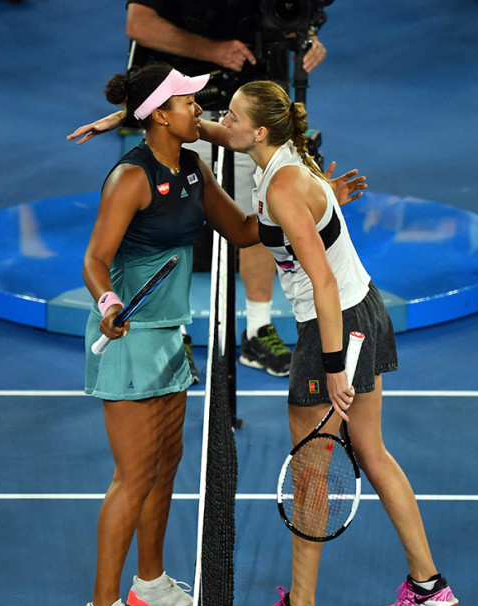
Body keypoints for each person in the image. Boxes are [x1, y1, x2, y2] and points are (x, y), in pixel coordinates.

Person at [72, 65, 365, 606]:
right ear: (160, 114)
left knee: (164, 467)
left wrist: (315, 203)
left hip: (170, 339)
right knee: (131, 477)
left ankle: (148, 585)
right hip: (128, 340)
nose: (199, 108)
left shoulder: (193, 167)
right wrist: (107, 303)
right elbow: (95, 259)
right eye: (187, 101)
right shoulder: (130, 178)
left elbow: (246, 229)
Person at [196, 80, 457, 606]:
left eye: (233, 117)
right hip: (364, 308)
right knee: (370, 451)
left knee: (311, 472)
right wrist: (174, 132)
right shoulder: (280, 163)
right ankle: (429, 583)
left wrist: (334, 367)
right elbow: (244, 213)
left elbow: (320, 283)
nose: (224, 121)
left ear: (259, 132)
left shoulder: (284, 186)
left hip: (334, 325)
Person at [123, 0, 330, 377]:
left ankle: (257, 329)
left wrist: (305, 37)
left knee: (262, 210)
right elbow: (139, 24)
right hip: (180, 109)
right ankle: (175, 333)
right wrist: (212, 51)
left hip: (249, 102)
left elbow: (284, 12)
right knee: (172, 222)